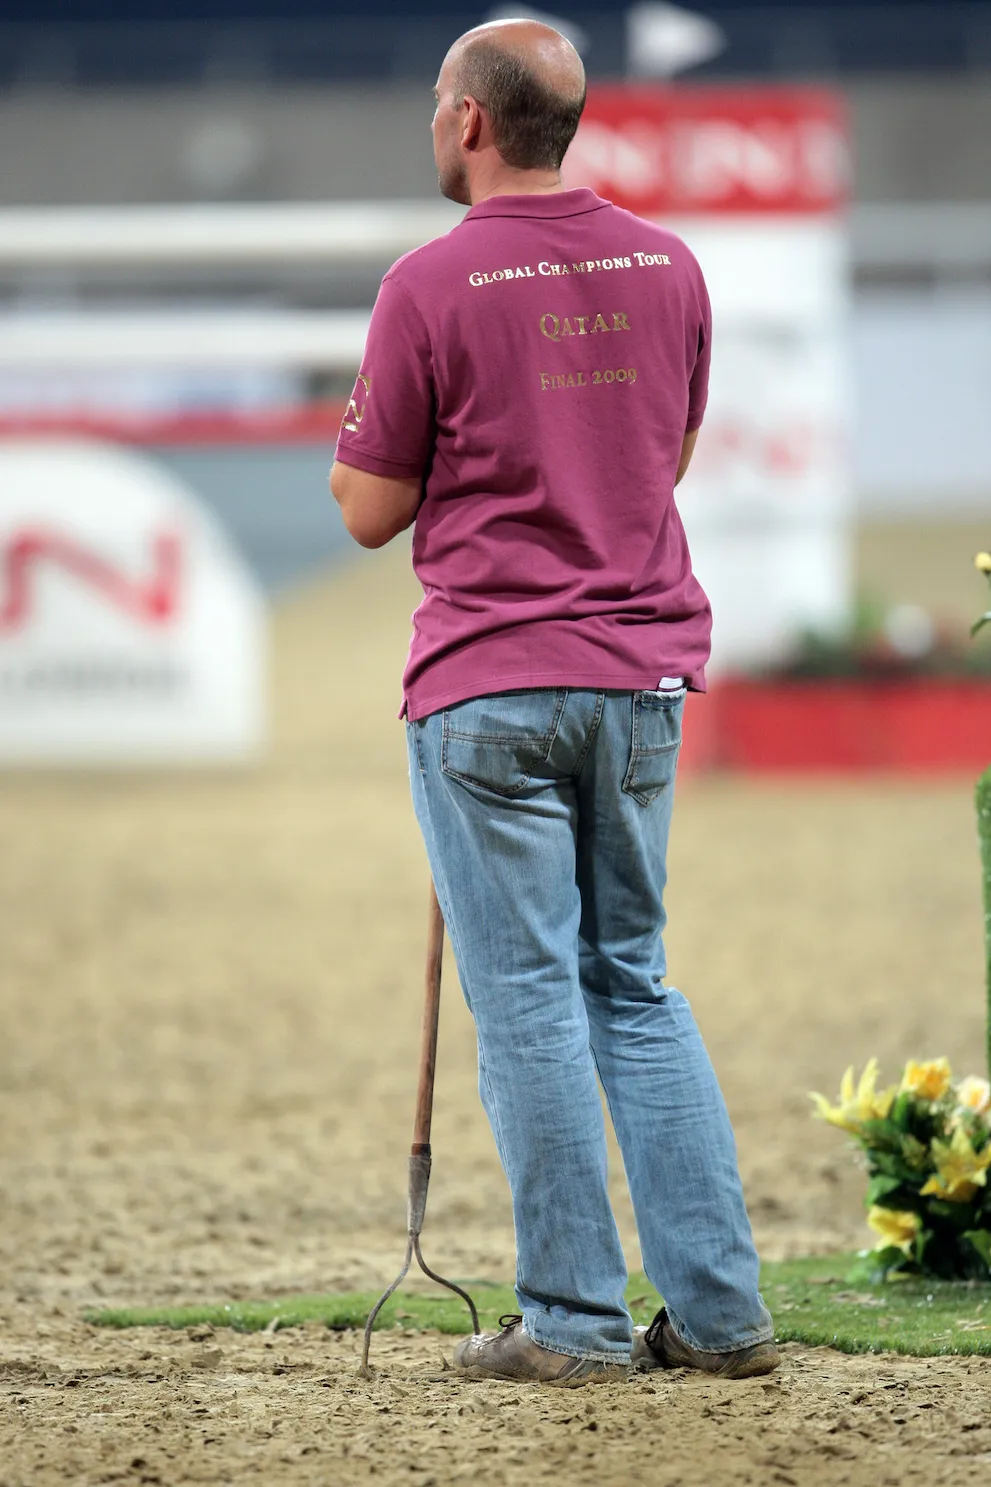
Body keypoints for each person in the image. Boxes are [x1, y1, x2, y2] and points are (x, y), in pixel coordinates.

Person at [330, 18, 777, 1387]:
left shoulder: (428, 281)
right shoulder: (668, 262)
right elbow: (665, 453)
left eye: (432, 107)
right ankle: (717, 1315)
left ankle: (574, 1323)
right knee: (632, 984)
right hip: (636, 675)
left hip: (488, 685)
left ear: (470, 121)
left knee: (526, 1001)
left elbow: (365, 510)